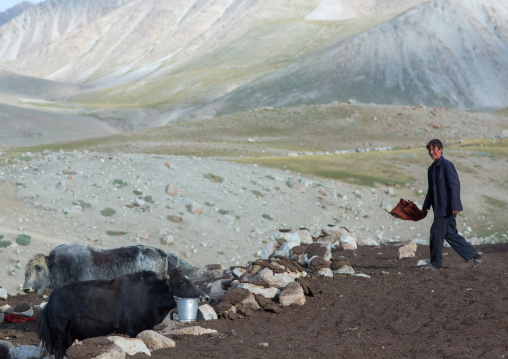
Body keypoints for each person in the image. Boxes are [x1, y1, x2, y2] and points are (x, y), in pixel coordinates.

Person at [421, 139, 484, 270]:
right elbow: (430, 190)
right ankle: (476, 254)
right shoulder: (431, 169)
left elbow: (454, 186)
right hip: (438, 208)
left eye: (434, 149)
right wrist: (425, 207)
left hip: (447, 208)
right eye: (429, 150)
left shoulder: (447, 165)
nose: (431, 152)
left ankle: (436, 264)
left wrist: (455, 205)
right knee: (450, 234)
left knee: (436, 233)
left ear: (441, 149)